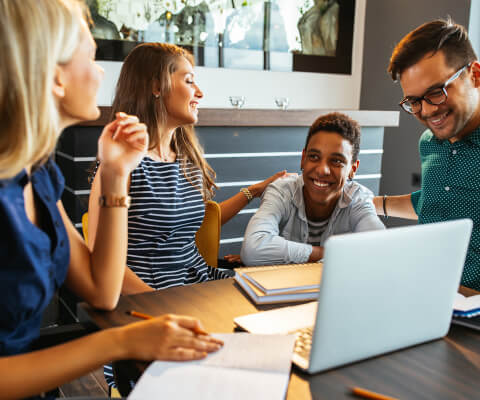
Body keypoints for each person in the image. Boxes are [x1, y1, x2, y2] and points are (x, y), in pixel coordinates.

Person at [0, 1, 222, 399]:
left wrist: (117, 172)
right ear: (54, 78)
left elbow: (102, 290)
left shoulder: (38, 178)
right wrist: (120, 342)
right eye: (91, 55)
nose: (102, 71)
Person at [86, 41, 286, 388]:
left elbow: (198, 224)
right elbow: (100, 261)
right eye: (190, 80)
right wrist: (164, 304)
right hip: (149, 296)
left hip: (195, 283)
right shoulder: (120, 163)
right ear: (155, 85)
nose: (200, 92)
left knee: (274, 315)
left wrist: (256, 190)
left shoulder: (186, 159)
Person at [373, 19, 480, 291]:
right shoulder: (429, 143)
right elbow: (437, 202)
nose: (427, 111)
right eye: (413, 101)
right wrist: (366, 203)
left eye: (436, 92)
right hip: (427, 295)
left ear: (475, 75)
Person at [241, 112, 385, 266]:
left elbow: (380, 251)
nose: (322, 170)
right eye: (314, 157)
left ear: (352, 169)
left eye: (336, 161)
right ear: (303, 159)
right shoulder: (282, 191)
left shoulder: (358, 199)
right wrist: (331, 253)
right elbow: (252, 250)